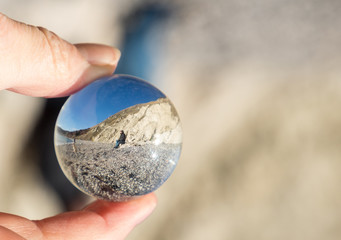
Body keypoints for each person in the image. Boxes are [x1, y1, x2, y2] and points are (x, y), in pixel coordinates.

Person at [0, 12, 156, 240]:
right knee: (133, 68)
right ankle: (147, 21)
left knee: (131, 67)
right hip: (84, 104)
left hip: (79, 103)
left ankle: (146, 21)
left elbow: (50, 133)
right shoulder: (61, 180)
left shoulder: (60, 179)